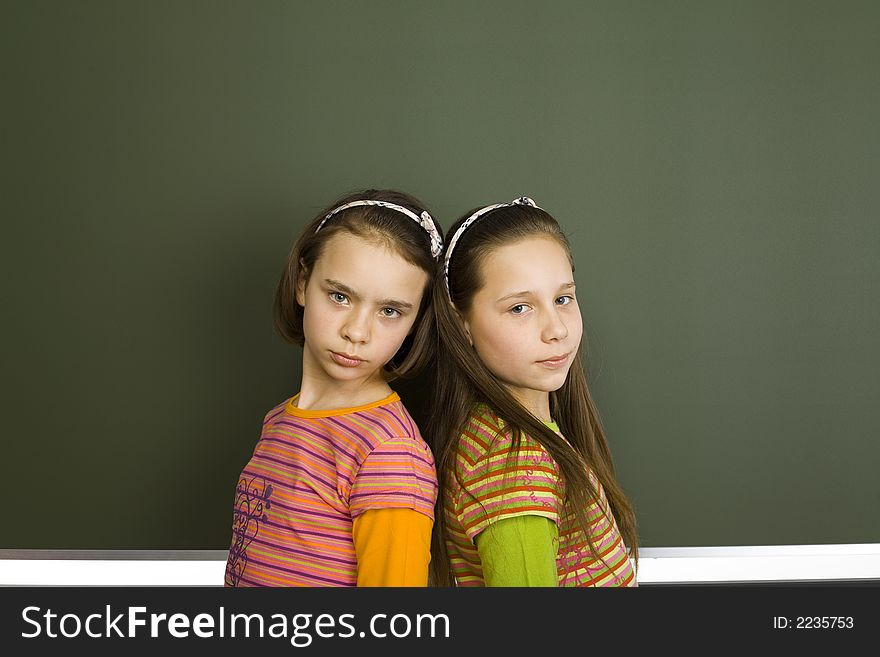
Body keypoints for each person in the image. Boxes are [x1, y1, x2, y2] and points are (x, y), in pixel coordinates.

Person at [224, 189, 443, 587]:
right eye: (340, 296)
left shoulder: (389, 454)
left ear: (416, 321)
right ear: (303, 283)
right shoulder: (280, 421)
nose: (357, 332)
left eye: (390, 311)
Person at [427, 197, 638, 587]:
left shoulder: (504, 438)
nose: (555, 329)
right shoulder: (512, 466)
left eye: (562, 299)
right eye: (520, 308)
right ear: (461, 325)